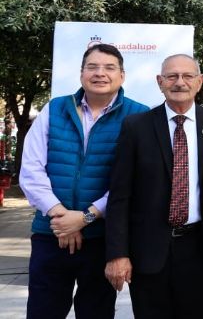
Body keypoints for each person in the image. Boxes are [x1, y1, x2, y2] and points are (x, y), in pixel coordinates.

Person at [20, 44, 149, 319]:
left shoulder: (139, 116)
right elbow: (31, 169)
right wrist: (62, 216)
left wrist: (86, 217)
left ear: (122, 75)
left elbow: (137, 179)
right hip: (51, 233)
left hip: (102, 238)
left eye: (109, 67)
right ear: (81, 74)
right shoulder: (55, 109)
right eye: (92, 67)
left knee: (96, 312)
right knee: (43, 311)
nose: (100, 73)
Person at [105, 54, 203, 318]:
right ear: (159, 82)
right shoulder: (136, 126)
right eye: (172, 76)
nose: (179, 82)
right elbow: (120, 195)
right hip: (148, 250)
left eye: (187, 76)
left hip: (200, 248)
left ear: (199, 82)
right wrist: (117, 253)